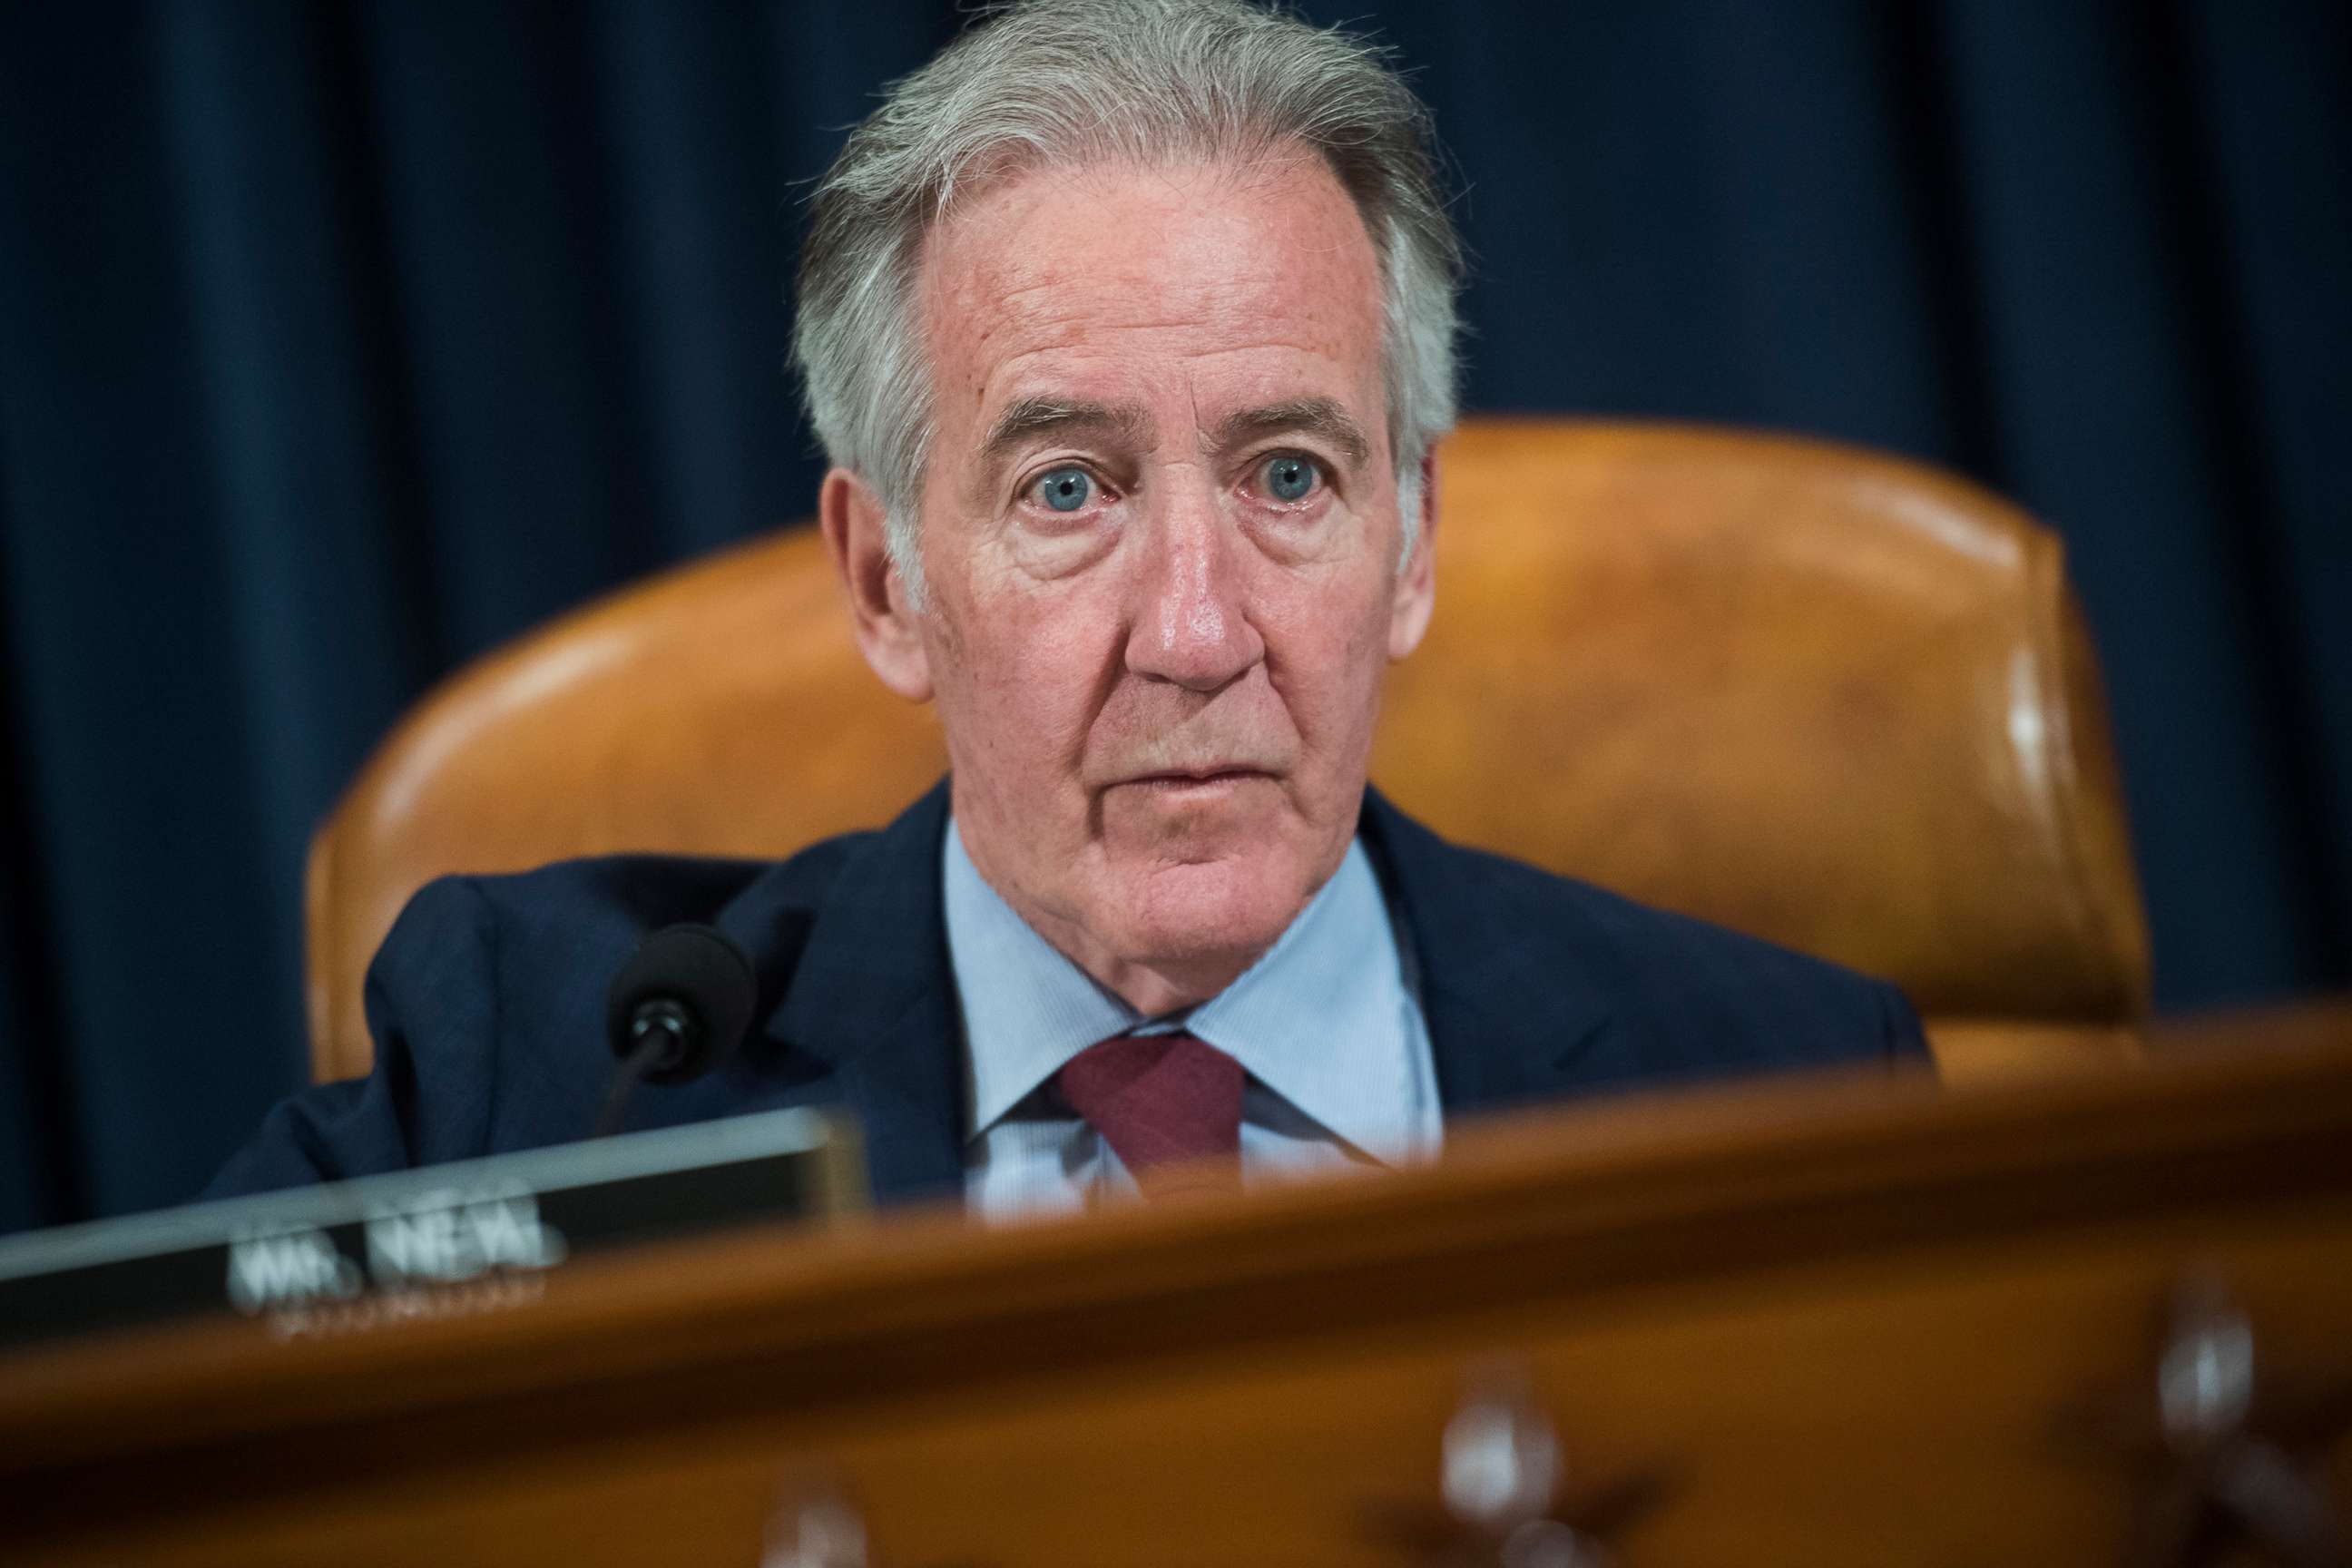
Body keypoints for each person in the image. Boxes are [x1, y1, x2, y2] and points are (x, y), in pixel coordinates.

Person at [210, 0, 1926, 1218]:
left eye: (1289, 477)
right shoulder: (551, 1077)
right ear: (887, 582)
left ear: (1410, 546)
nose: (1195, 630)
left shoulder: (1787, 1094)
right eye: (1068, 490)